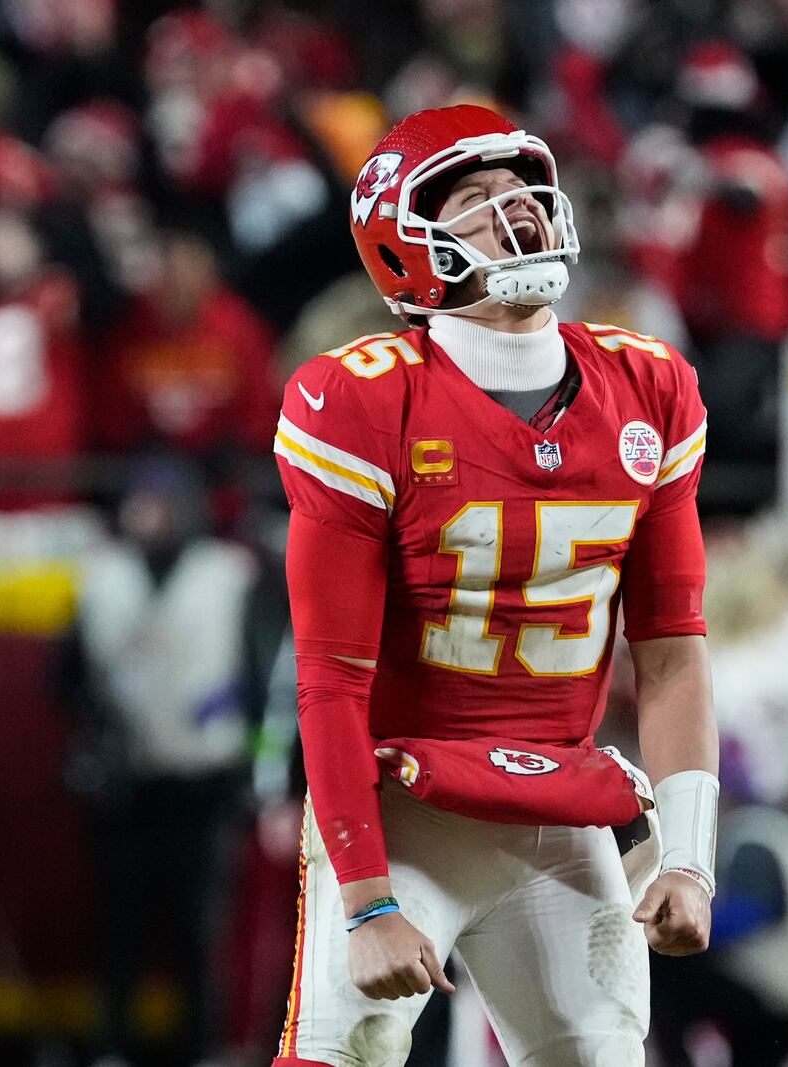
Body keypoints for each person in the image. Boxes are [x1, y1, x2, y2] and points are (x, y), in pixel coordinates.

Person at [271, 104, 719, 1067]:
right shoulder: (360, 399)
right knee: (342, 1054)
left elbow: (675, 651)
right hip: (404, 805)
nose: (513, 211)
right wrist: (368, 898)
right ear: (406, 247)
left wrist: (686, 854)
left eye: (520, 189)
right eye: (473, 199)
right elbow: (330, 676)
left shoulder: (648, 386)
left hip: (561, 803)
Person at [62, 457, 257, 1067]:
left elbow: (264, 676)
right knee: (116, 932)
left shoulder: (229, 575)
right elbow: (65, 674)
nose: (146, 514)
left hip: (202, 781)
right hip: (125, 783)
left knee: (196, 932)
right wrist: (96, 730)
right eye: (138, 502)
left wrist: (255, 764)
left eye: (160, 502)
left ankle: (196, 1050)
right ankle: (114, 1049)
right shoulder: (103, 575)